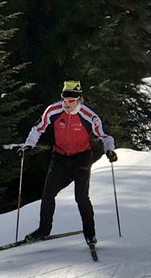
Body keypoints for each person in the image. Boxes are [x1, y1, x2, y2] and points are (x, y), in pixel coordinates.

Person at [21, 80, 117, 247]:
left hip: (81, 157)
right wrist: (29, 145)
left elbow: (105, 136)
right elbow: (38, 128)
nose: (67, 104)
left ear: (79, 100)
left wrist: (109, 150)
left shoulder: (89, 116)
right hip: (60, 157)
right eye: (64, 99)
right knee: (48, 194)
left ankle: (90, 234)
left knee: (81, 197)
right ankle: (43, 230)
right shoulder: (53, 110)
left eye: (71, 101)